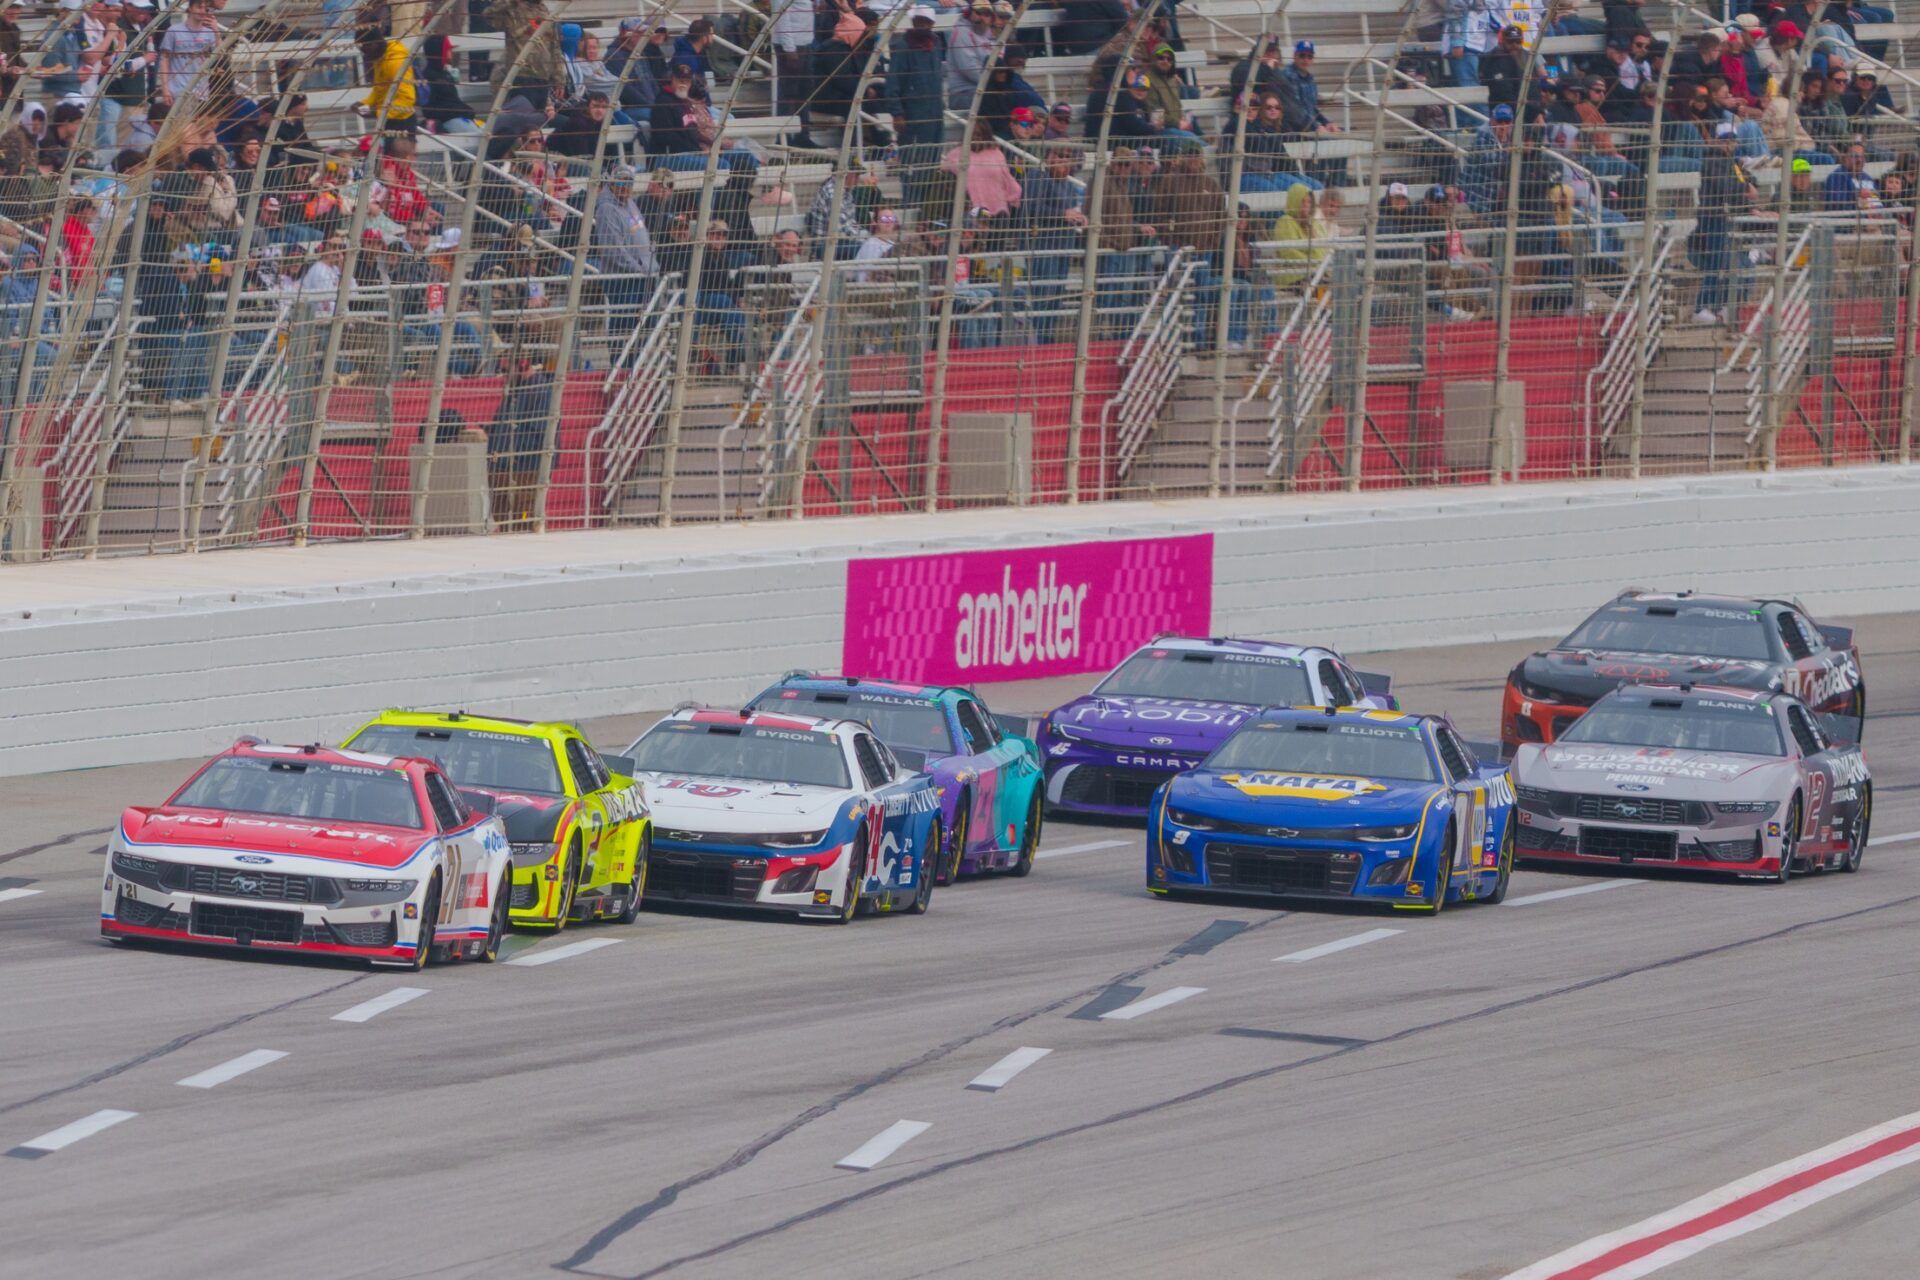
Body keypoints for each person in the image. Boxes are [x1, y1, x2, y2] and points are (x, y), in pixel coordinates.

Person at [389, 217, 483, 374]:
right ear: (407, 234)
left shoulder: (424, 260)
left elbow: (434, 289)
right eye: (417, 232)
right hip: (409, 316)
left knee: (465, 327)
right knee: (436, 331)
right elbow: (407, 293)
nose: (423, 235)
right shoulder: (401, 256)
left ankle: (481, 363)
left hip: (431, 314)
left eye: (426, 232)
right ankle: (466, 370)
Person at [1693, 120, 1754, 322]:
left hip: (1725, 218)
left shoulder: (1732, 163)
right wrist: (1745, 189)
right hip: (1713, 219)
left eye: (1733, 139)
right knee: (1716, 264)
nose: (1730, 143)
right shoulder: (1712, 161)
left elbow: (1744, 182)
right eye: (1726, 139)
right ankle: (1702, 307)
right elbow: (1724, 185)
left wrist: (1749, 181)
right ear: (1718, 141)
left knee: (1722, 265)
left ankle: (1717, 306)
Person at [886, 7, 945, 211]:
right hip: (912, 115)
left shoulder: (936, 44)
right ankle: (911, 203)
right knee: (912, 162)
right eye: (919, 21)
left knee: (932, 159)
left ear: (932, 24)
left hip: (935, 112)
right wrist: (897, 112)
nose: (922, 25)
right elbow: (893, 82)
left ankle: (926, 205)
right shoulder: (902, 47)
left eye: (926, 22)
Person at [591, 163, 655, 330]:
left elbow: (642, 233)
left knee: (644, 328)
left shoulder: (630, 203)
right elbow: (614, 250)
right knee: (624, 327)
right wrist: (639, 269)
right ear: (611, 183)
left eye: (628, 183)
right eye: (620, 182)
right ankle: (621, 357)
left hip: (643, 275)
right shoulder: (606, 209)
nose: (624, 187)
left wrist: (650, 266)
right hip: (623, 279)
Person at [942, 119, 1022, 218]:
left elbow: (1007, 178)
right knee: (978, 216)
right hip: (971, 208)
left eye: (980, 134)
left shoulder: (996, 153)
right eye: (974, 134)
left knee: (1001, 218)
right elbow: (945, 168)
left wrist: (1013, 194)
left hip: (999, 207)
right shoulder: (957, 153)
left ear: (986, 136)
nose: (976, 137)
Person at [156, 0, 217, 110]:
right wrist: (165, 89)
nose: (203, 11)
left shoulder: (210, 33)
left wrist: (216, 31)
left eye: (206, 9)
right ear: (190, 8)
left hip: (201, 93)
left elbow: (220, 56)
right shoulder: (174, 30)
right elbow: (164, 59)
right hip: (177, 91)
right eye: (199, 7)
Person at [355, 24, 416, 131]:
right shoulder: (380, 58)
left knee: (399, 148)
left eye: (365, 46)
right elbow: (380, 90)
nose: (364, 51)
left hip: (401, 121)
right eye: (360, 47)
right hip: (388, 119)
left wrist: (378, 111)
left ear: (376, 43)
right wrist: (365, 103)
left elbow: (406, 99)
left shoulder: (395, 62)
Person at [419, 35, 479, 135]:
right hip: (449, 121)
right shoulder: (429, 76)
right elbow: (429, 110)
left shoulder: (445, 74)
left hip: (460, 118)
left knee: (489, 131)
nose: (451, 52)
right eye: (448, 49)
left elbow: (452, 101)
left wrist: (465, 110)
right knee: (480, 137)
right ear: (439, 52)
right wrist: (460, 111)